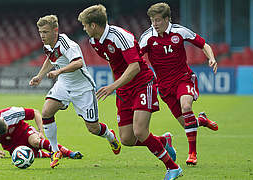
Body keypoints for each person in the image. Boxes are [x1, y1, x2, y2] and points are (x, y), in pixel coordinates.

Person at [78, 4, 182, 179]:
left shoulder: (120, 36)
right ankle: (163, 141)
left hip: (143, 83)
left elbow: (134, 67)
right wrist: (118, 87)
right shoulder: (94, 42)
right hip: (124, 90)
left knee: (140, 131)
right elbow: (114, 63)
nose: (84, 28)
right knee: (127, 139)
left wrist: (113, 86)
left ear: (93, 25)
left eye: (85, 25)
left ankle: (173, 168)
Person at [29, 15, 121, 169]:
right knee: (46, 112)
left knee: (93, 128)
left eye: (45, 32)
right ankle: (55, 151)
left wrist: (59, 72)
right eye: (40, 32)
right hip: (64, 86)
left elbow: (78, 63)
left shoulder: (66, 44)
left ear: (55, 30)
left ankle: (110, 136)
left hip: (82, 89)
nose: (42, 36)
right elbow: (51, 58)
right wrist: (40, 76)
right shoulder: (48, 45)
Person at [139, 2, 219, 166]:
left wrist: (211, 58)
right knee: (187, 122)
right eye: (152, 21)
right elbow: (135, 59)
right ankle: (201, 120)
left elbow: (204, 44)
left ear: (167, 19)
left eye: (158, 20)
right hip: (164, 87)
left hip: (183, 78)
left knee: (186, 107)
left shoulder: (179, 31)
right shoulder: (147, 37)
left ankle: (192, 153)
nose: (155, 24)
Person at [0, 107, 82, 160]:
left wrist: (41, 131)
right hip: (12, 146)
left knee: (35, 141)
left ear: (4, 120)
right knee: (29, 155)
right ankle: (53, 154)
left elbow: (35, 113)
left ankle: (70, 153)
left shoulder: (11, 113)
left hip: (24, 131)